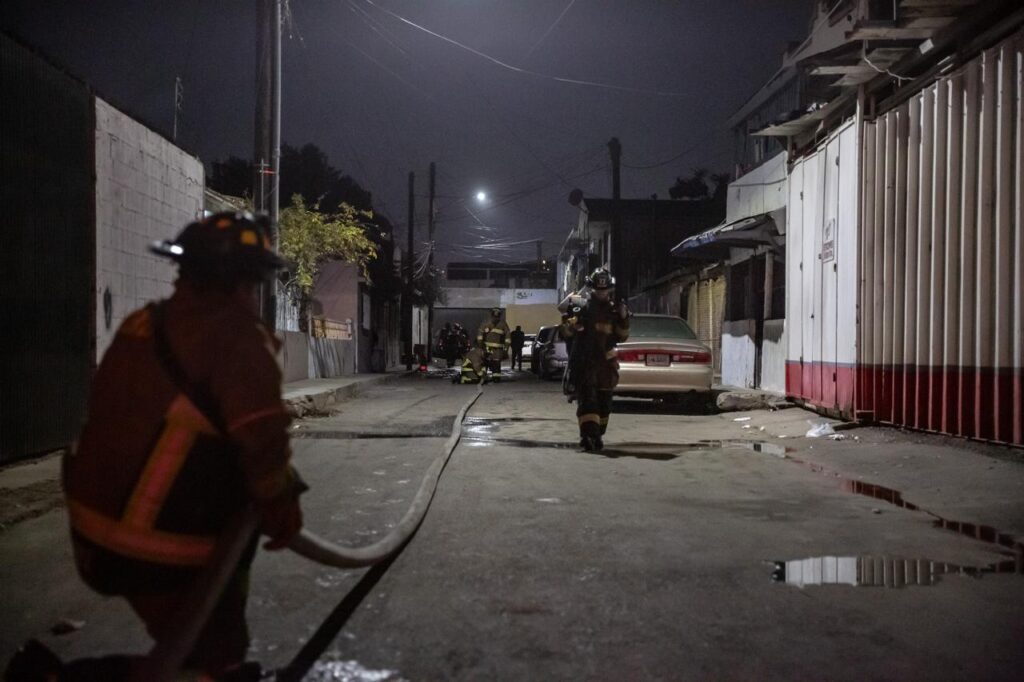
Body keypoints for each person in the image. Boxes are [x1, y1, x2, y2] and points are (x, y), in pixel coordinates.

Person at [62, 212, 304, 681]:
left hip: (91, 530)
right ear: (244, 284)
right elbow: (262, 443)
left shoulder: (142, 324)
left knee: (185, 648)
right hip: (155, 546)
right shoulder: (235, 340)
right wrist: (282, 506)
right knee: (217, 658)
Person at [560, 269, 629, 452]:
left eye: (605, 290)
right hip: (585, 362)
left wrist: (623, 318)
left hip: (606, 366)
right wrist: (572, 326)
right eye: (598, 290)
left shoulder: (616, 310)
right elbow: (565, 332)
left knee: (604, 403)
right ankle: (588, 436)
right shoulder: (580, 306)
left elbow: (623, 336)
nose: (601, 293)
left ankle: (597, 432)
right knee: (588, 401)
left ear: (610, 290)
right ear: (591, 289)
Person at [476, 307, 510, 381]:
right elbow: (508, 339)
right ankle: (496, 378)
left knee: (485, 363)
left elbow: (479, 337)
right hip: (497, 351)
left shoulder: (485, 323)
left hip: (487, 349)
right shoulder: (503, 324)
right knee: (496, 364)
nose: (496, 318)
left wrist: (481, 347)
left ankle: (484, 377)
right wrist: (505, 350)